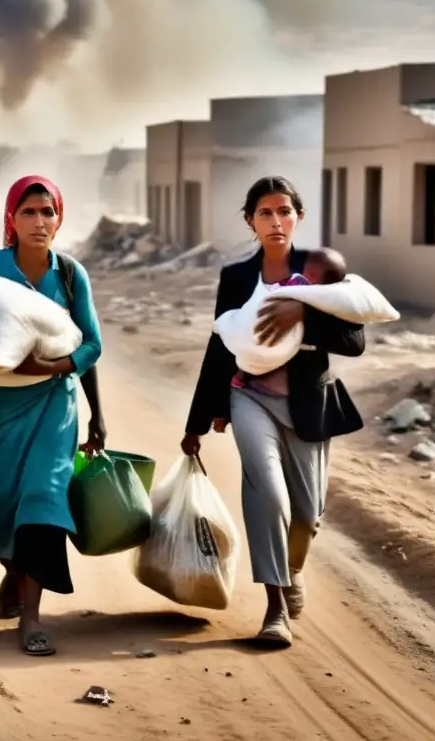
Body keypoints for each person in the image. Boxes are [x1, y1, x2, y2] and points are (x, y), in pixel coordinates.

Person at [180, 176, 365, 648]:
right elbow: (221, 344)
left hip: (307, 403)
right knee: (268, 497)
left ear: (297, 217)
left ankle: (292, 571)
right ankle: (274, 608)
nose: (276, 221)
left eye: (284, 211)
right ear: (250, 221)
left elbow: (354, 340)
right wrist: (200, 419)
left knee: (307, 513)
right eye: (265, 213)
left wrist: (303, 314)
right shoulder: (238, 277)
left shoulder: (321, 267)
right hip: (250, 396)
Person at [0, 175, 104, 657]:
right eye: (28, 212)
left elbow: (91, 344)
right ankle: (14, 569)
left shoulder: (71, 274)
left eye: (47, 212)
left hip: (55, 403)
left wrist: (78, 395)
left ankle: (31, 615)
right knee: (0, 501)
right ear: (11, 218)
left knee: (43, 497)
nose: (39, 221)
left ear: (59, 218)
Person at [231, 246, 346, 389]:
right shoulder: (297, 280)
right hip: (271, 320)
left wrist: (304, 310)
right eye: (308, 272)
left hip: (301, 362)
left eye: (313, 275)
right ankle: (243, 374)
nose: (308, 277)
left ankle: (246, 372)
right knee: (255, 345)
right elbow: (279, 289)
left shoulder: (325, 297)